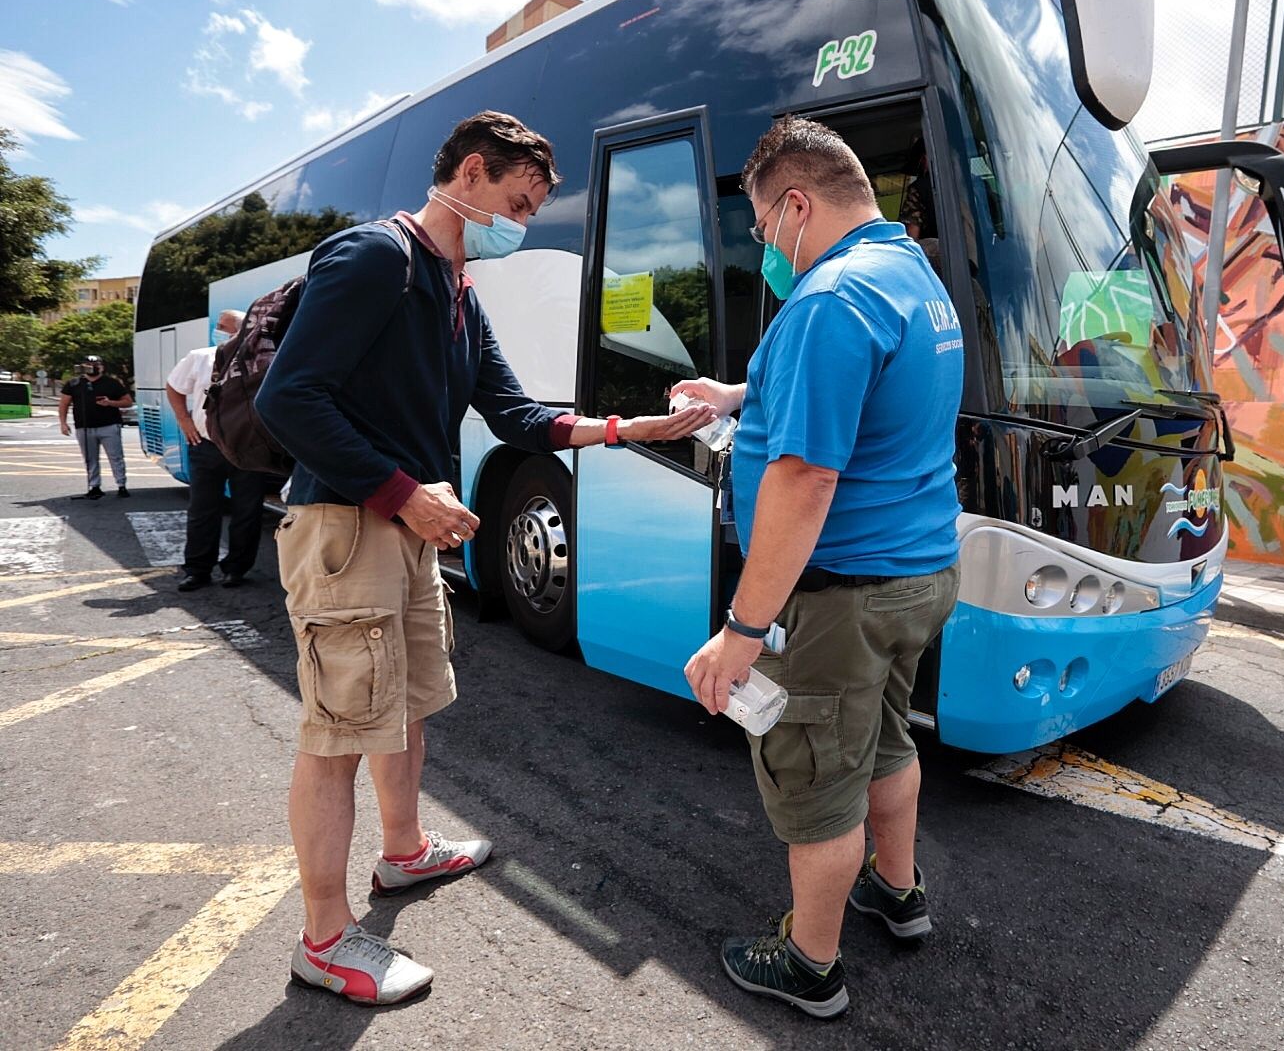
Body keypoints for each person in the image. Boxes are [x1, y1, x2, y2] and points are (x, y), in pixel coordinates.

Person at [256, 110, 714, 1006]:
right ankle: (322, 939)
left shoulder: (460, 290)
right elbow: (289, 400)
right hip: (347, 530)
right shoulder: (375, 259)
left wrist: (632, 428)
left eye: (534, 210)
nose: (523, 224)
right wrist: (405, 492)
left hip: (405, 529)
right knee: (340, 735)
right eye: (518, 201)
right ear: (469, 175)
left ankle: (402, 852)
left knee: (407, 703)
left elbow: (518, 415)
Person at [679, 116, 964, 1020]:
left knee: (815, 778)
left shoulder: (830, 301)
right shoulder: (912, 279)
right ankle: (899, 890)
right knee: (886, 740)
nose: (767, 247)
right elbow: (873, 398)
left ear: (797, 204)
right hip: (917, 577)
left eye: (765, 227)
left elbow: (804, 480)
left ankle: (809, 963)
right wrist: (741, 395)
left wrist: (742, 631)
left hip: (846, 595)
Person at [165, 310, 272, 591]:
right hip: (206, 445)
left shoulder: (260, 360)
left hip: (248, 448)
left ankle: (236, 568)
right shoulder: (200, 357)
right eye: (220, 326)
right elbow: (174, 386)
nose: (220, 330)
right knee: (202, 510)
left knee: (247, 511)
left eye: (225, 326)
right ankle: (198, 570)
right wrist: (185, 421)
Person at [58, 355, 131, 500]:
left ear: (102, 367)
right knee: (90, 459)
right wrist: (63, 423)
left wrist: (110, 403)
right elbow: (64, 404)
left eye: (96, 364)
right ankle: (94, 486)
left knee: (115, 456)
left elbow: (128, 402)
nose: (92, 367)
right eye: (88, 364)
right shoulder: (74, 383)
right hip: (84, 427)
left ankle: (121, 485)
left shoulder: (112, 383)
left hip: (109, 426)